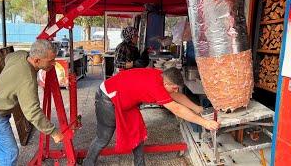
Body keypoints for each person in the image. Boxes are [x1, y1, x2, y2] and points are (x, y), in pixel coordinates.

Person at [83, 67, 219, 166]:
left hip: (125, 99)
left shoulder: (162, 76)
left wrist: (198, 109)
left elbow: (176, 95)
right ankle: (87, 163)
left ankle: (139, 164)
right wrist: (205, 123)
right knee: (103, 137)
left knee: (137, 133)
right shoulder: (156, 87)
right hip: (107, 98)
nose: (176, 90)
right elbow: (176, 108)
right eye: (174, 87)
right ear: (166, 83)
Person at [0, 39, 64, 166]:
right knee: (10, 152)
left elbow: (8, 57)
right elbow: (32, 112)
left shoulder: (21, 55)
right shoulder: (28, 79)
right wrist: (54, 132)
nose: (54, 63)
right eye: (51, 61)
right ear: (37, 60)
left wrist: (10, 79)